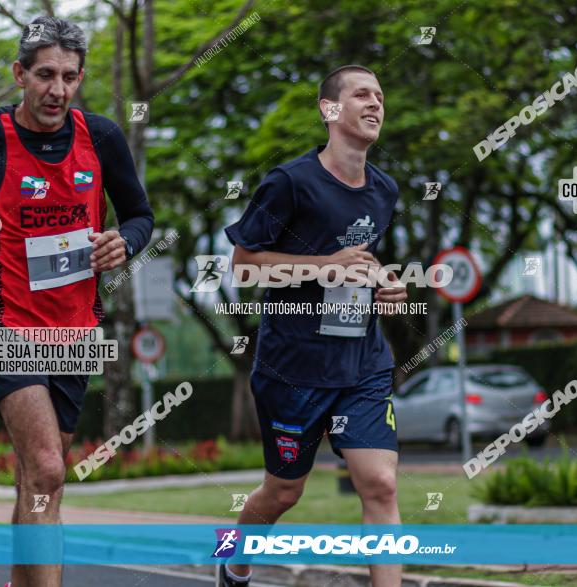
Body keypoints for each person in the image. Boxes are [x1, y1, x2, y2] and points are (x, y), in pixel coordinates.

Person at [0, 16, 154, 587]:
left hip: (74, 327)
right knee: (48, 469)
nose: (58, 89)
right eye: (45, 75)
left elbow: (142, 216)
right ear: (19, 74)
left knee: (38, 478)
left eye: (70, 77)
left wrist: (126, 241)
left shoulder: (102, 138)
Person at [220, 64, 407, 587]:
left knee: (380, 485)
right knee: (283, 492)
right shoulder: (289, 183)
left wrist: (384, 283)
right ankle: (234, 564)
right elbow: (243, 266)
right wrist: (327, 266)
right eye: (361, 95)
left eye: (380, 96)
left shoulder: (385, 190)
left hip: (361, 363)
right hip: (293, 369)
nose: (375, 104)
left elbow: (360, 262)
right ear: (330, 110)